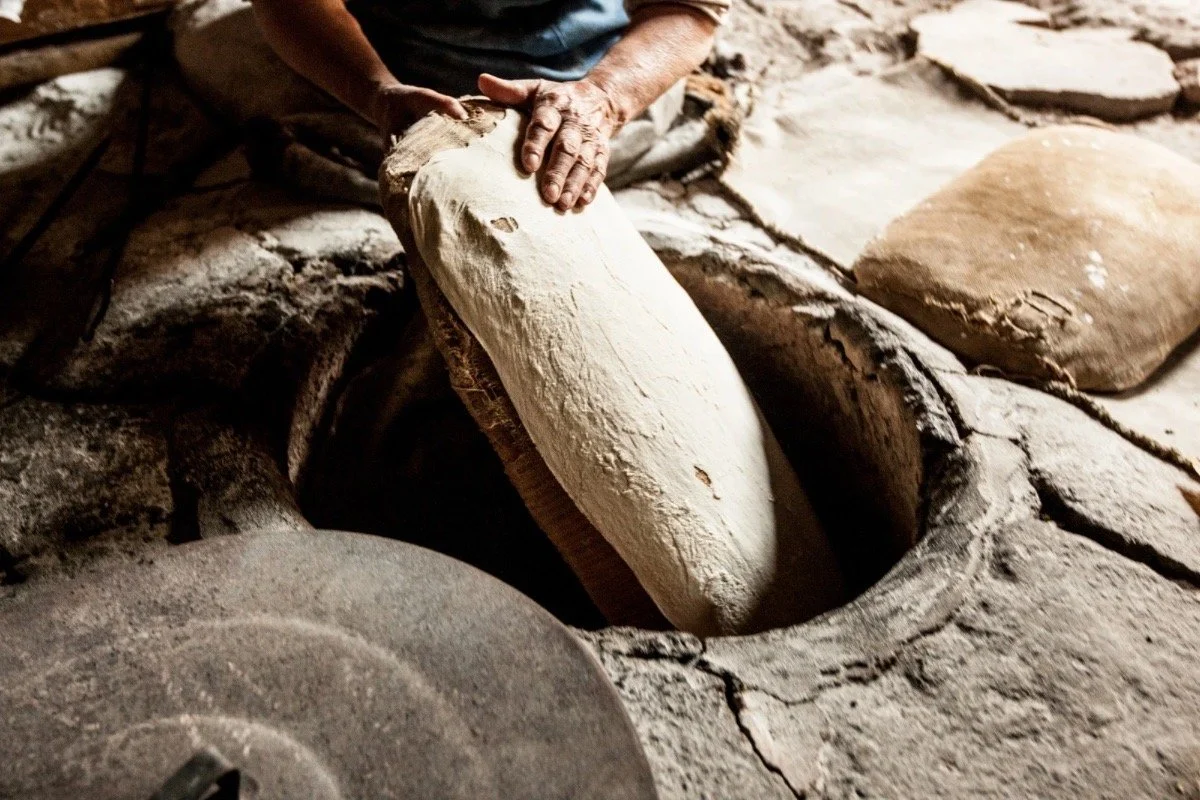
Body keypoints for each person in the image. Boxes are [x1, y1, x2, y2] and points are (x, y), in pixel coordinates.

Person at [249, 0, 728, 210]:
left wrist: (603, 98)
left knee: (538, 175)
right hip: (385, 53)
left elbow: (686, 8)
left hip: (593, 60)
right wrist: (376, 92)